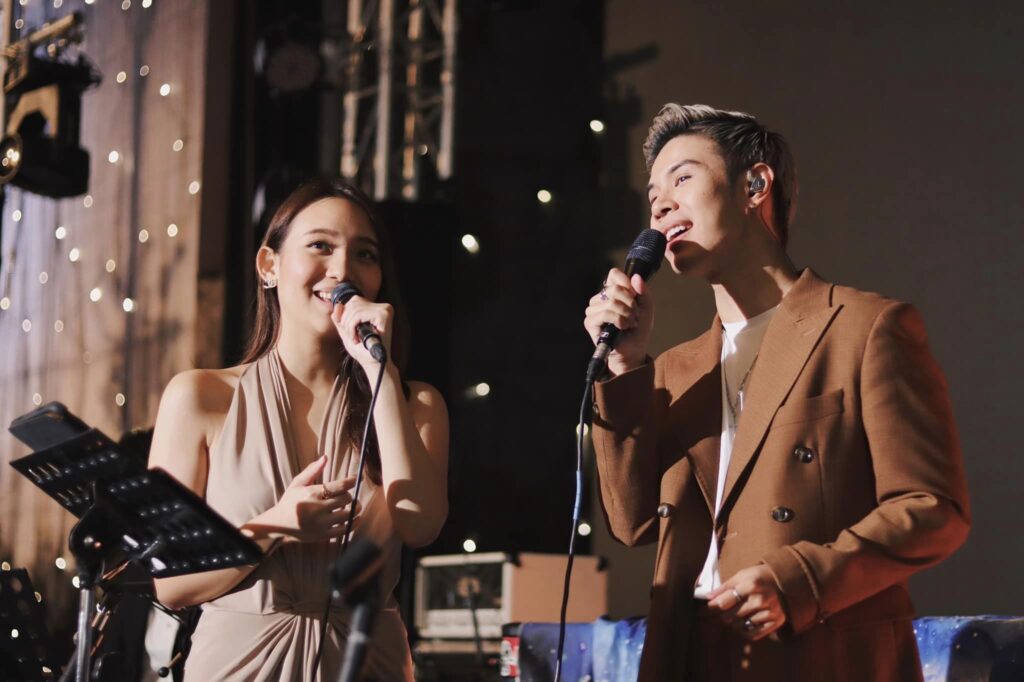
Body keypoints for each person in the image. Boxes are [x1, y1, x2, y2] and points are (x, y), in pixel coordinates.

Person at [583, 104, 969, 682]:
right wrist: (624, 364)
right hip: (688, 654)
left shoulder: (864, 328)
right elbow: (633, 522)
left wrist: (800, 581)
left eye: (682, 178)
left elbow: (933, 509)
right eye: (654, 194)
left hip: (813, 651)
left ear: (754, 186)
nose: (659, 205)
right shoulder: (676, 367)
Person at [149, 178, 449, 681]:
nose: (343, 270)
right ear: (269, 265)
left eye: (365, 254)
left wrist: (379, 372)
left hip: (366, 665)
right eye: (321, 246)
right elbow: (171, 583)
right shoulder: (198, 397)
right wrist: (275, 526)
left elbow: (421, 525)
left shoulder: (414, 404)